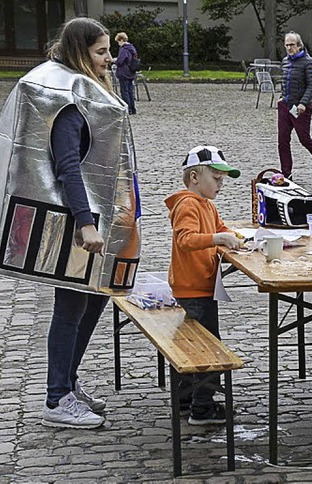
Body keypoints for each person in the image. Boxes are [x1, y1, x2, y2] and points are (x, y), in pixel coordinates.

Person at [0, 18, 142, 428]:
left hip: (96, 217)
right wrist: (85, 223)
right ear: (80, 51)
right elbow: (67, 167)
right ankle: (56, 398)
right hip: (76, 219)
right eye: (101, 51)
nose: (109, 58)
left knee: (98, 293)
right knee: (71, 304)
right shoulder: (66, 95)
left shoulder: (83, 87)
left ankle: (67, 382)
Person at [165, 145, 242, 425]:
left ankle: (186, 399)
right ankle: (202, 408)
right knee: (208, 350)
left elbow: (220, 228)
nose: (221, 185)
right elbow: (186, 240)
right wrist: (217, 240)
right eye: (216, 179)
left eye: (222, 180)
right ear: (195, 177)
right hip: (193, 289)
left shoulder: (206, 204)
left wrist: (237, 237)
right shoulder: (188, 204)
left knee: (194, 346)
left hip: (200, 286)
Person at [278, 31, 312, 179]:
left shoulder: (308, 62)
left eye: (292, 45)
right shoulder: (285, 61)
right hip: (286, 105)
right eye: (287, 45)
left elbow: (311, 86)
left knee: (304, 139)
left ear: (299, 45)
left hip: (301, 107)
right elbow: (285, 82)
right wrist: (282, 96)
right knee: (282, 140)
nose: (289, 48)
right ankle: (286, 173)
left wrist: (303, 103)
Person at [114, 32, 138, 115]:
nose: (118, 44)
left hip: (124, 72)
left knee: (124, 91)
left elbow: (120, 61)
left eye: (118, 41)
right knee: (130, 91)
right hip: (131, 72)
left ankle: (128, 109)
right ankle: (133, 108)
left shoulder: (124, 49)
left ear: (121, 40)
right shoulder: (132, 48)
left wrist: (115, 61)